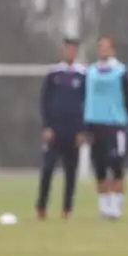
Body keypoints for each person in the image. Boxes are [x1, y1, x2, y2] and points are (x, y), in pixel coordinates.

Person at [35, 38, 87, 220]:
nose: (70, 53)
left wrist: (83, 130)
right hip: (55, 130)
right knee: (48, 167)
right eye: (68, 49)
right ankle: (41, 206)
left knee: (71, 171)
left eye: (74, 49)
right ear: (63, 51)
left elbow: (86, 104)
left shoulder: (83, 75)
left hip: (73, 131)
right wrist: (47, 126)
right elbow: (44, 102)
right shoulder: (53, 74)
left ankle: (67, 209)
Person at [83, 36, 128, 220]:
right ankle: (104, 208)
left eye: (106, 47)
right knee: (100, 167)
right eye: (100, 47)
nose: (103, 50)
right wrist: (86, 126)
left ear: (113, 50)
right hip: (95, 123)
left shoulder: (120, 71)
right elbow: (86, 98)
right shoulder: (91, 71)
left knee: (116, 165)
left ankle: (116, 206)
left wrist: (122, 118)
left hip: (114, 124)